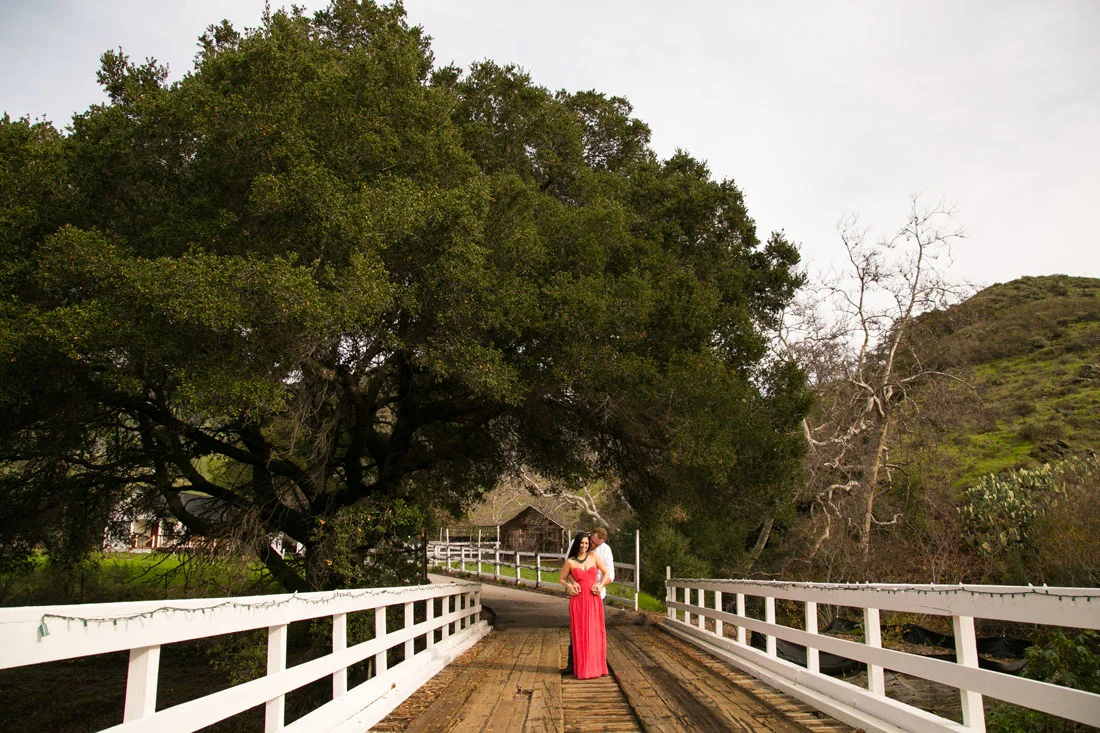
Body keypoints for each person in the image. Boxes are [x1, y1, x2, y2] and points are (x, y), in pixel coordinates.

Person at [558, 532, 610, 679]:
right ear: (577, 544)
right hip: (578, 600)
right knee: (580, 633)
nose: (584, 546)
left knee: (594, 632)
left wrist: (600, 586)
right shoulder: (570, 561)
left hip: (593, 599)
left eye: (586, 543)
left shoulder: (594, 557)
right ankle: (582, 669)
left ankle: (596, 667)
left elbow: (606, 573)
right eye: (582, 543)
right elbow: (561, 578)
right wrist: (570, 586)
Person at [590, 527, 614, 602]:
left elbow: (610, 574)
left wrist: (600, 585)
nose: (593, 545)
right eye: (592, 541)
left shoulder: (606, 550)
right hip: (579, 594)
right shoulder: (577, 543)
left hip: (598, 595)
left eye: (597, 545)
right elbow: (568, 566)